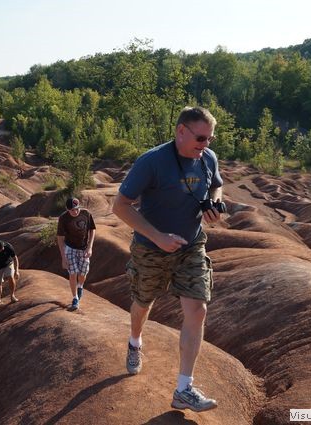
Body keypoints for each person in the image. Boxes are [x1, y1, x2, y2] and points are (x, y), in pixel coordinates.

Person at [112, 106, 224, 413]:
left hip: (191, 246)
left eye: (210, 138)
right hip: (151, 248)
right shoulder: (152, 162)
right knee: (143, 303)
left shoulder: (208, 158)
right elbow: (119, 206)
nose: (206, 144)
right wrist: (159, 236)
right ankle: (135, 341)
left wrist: (213, 206)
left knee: (197, 309)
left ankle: (183, 389)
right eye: (201, 137)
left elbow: (216, 186)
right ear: (181, 131)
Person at [56, 197, 96, 311]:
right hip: (70, 248)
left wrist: (90, 247)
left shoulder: (86, 214)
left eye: (77, 209)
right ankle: (75, 298)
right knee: (73, 273)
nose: (75, 211)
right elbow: (60, 238)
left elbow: (92, 229)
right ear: (67, 209)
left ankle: (80, 286)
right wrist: (63, 257)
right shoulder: (63, 218)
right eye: (72, 210)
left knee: (82, 274)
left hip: (84, 247)